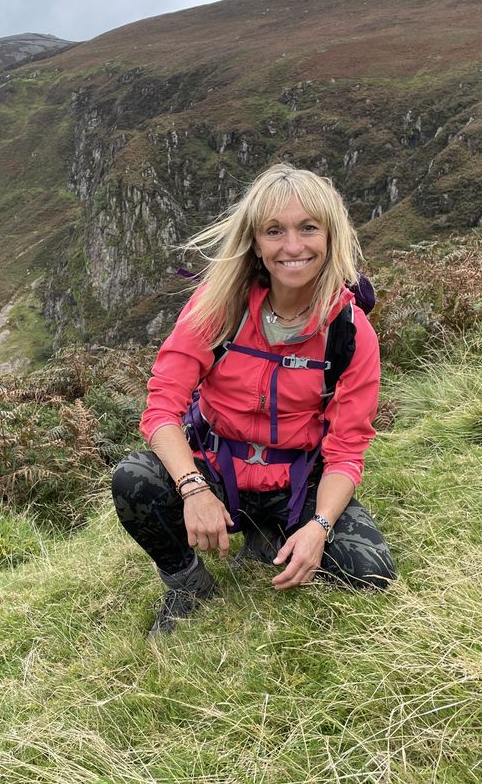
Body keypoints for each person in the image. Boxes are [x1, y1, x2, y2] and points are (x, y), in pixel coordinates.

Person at [112, 163, 395, 637]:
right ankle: (187, 584)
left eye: (308, 228)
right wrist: (192, 488)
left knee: (369, 572)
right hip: (218, 471)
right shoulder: (217, 309)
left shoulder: (350, 331)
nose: (292, 246)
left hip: (298, 482)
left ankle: (275, 534)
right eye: (274, 231)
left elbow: (347, 449)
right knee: (133, 479)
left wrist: (320, 527)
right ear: (256, 244)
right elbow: (162, 407)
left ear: (330, 237)